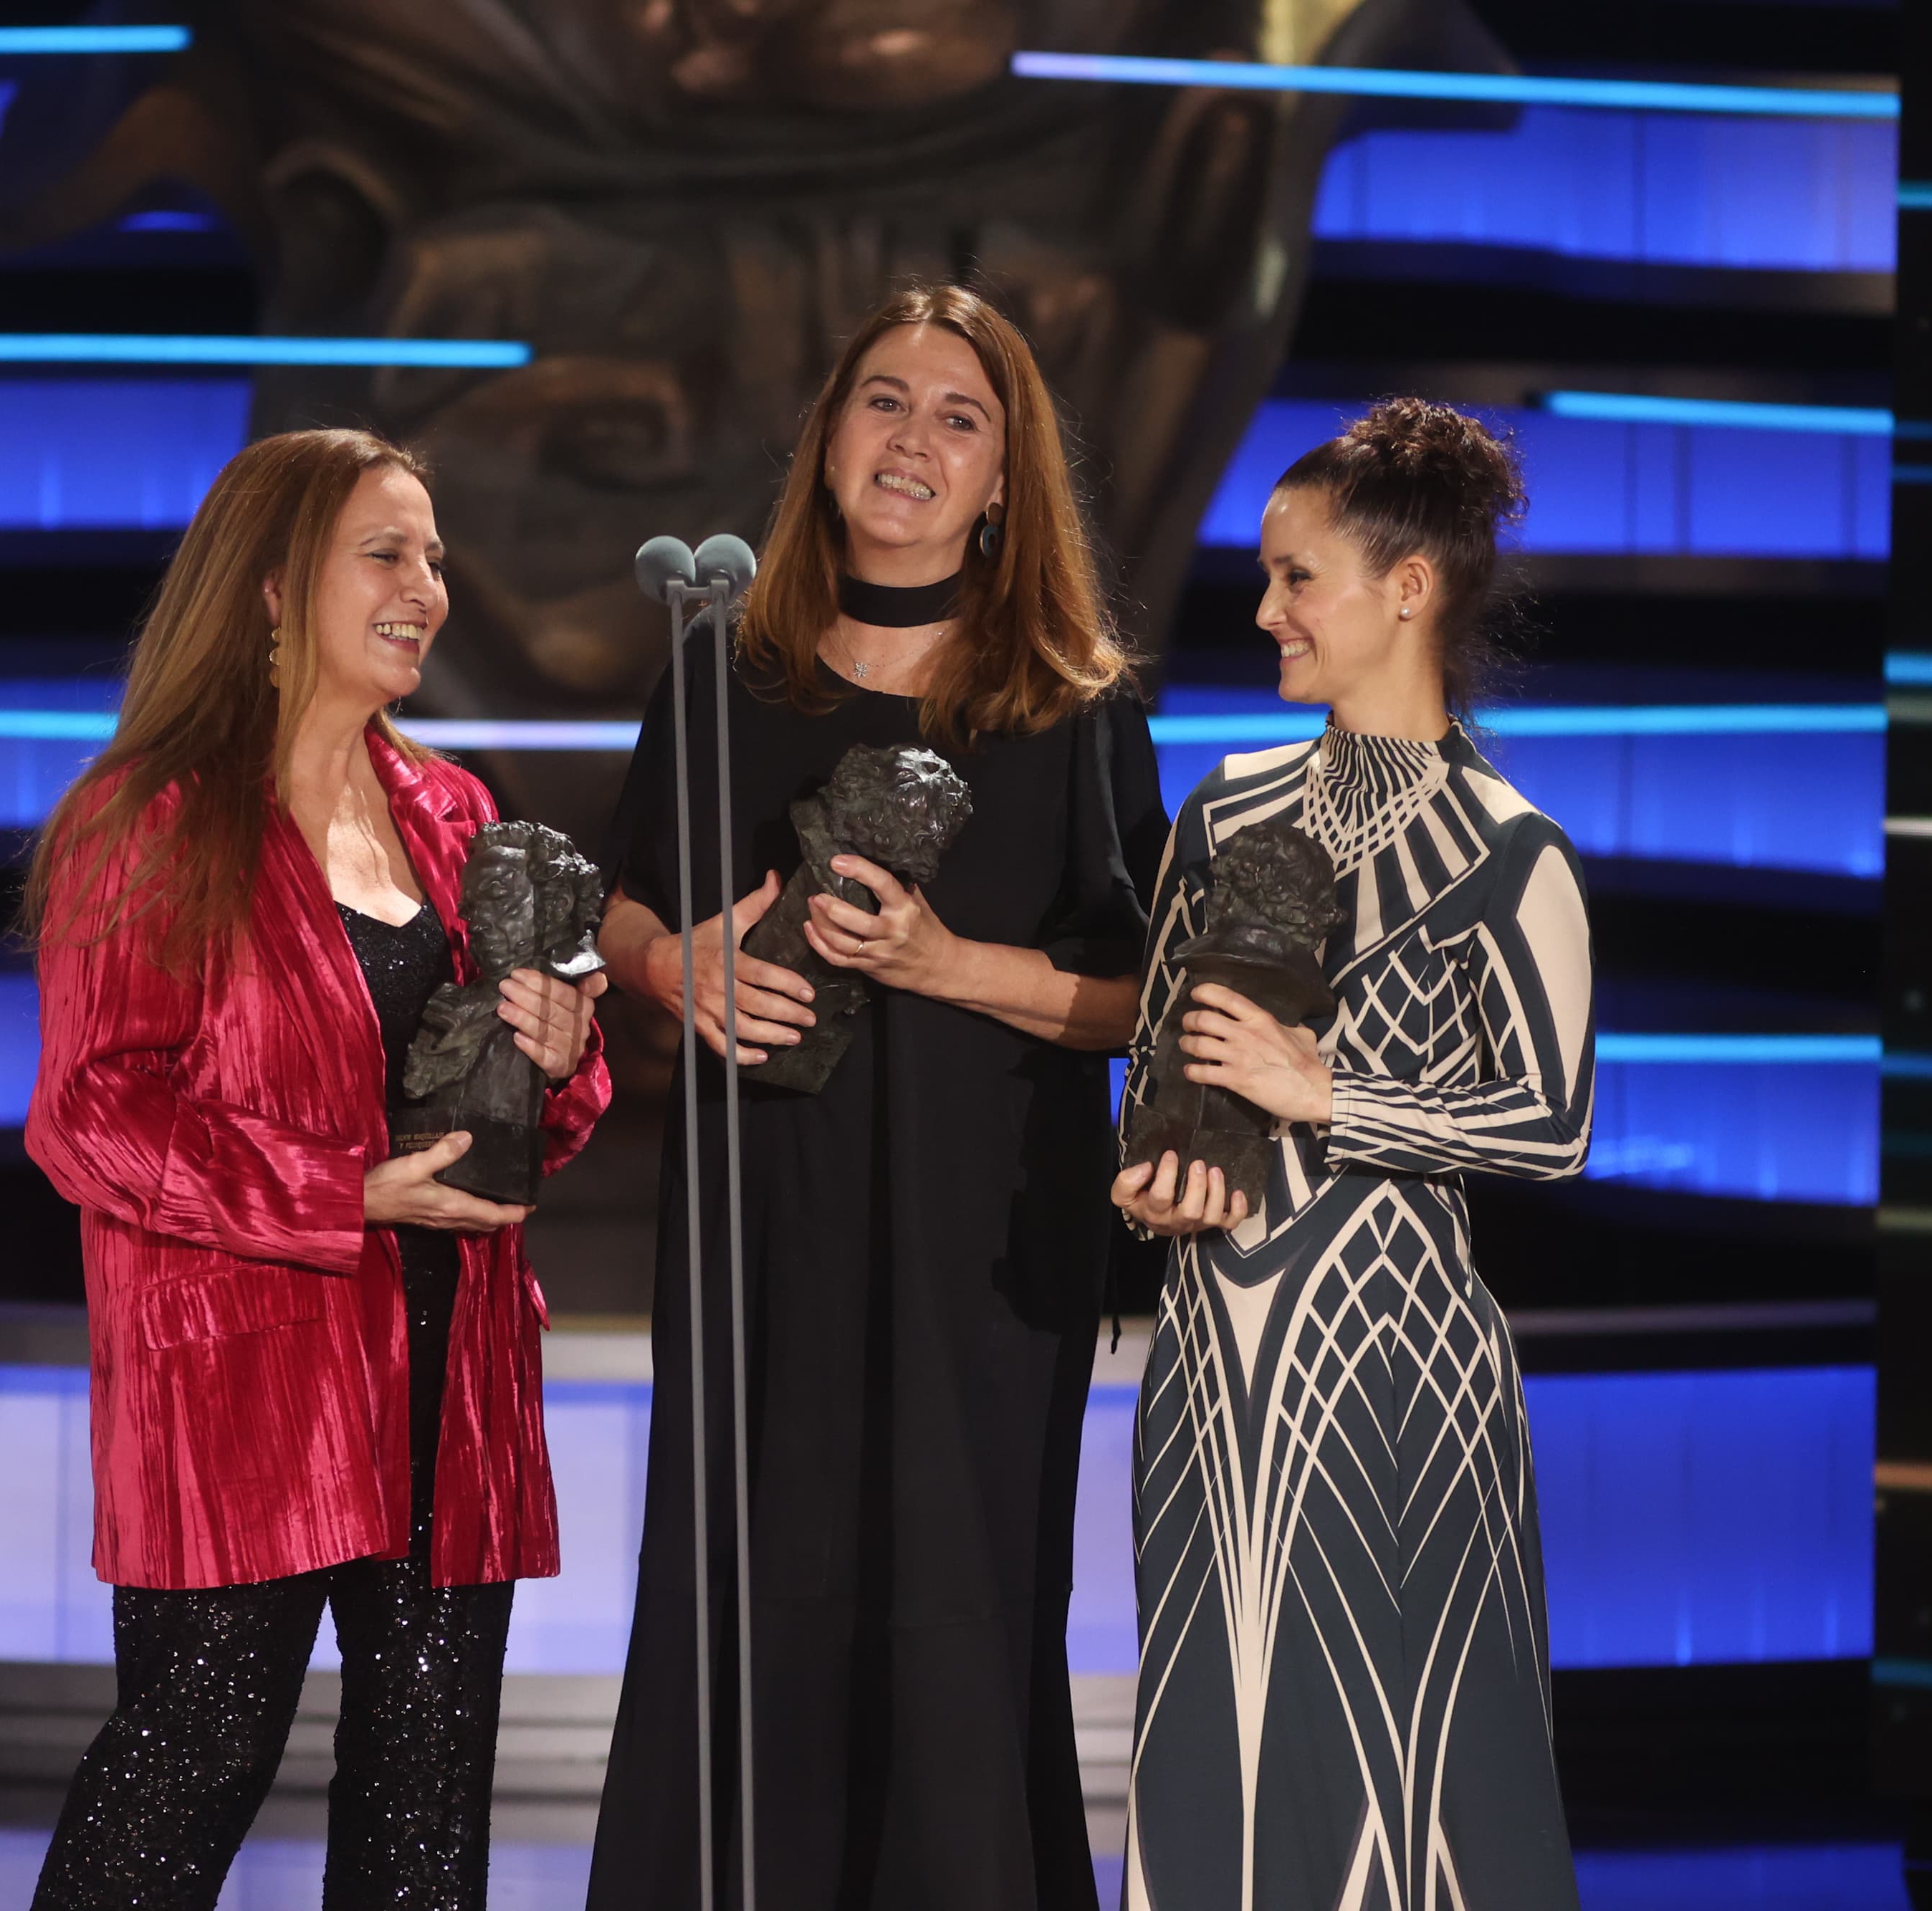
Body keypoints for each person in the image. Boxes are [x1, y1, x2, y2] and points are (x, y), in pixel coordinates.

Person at [586, 284, 1170, 1910]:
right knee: (743, 1597)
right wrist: (663, 968)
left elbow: (1144, 994)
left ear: (1004, 481)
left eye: (958, 417)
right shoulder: (723, 675)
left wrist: (943, 961)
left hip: (980, 1254)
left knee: (955, 1611)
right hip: (755, 1232)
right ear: (825, 437)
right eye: (883, 402)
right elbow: (625, 905)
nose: (912, 439)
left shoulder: (1071, 698)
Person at [18, 428, 610, 1910]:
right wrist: (340, 1189)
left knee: (424, 1805)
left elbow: (541, 1112)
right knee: (183, 1770)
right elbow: (90, 1113)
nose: (431, 587)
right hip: (245, 1389)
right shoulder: (148, 819)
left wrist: (560, 1046)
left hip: (448, 1376)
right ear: (274, 586)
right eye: (388, 553)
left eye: (435, 558)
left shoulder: (458, 812)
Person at [1111, 399, 1590, 1910]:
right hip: (1213, 1364)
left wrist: (1332, 1091)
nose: (1263, 611)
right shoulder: (1227, 804)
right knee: (1216, 1751)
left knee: (1428, 1772)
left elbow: (1553, 1120)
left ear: (1408, 585)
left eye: (1293, 576)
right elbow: (1162, 1052)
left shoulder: (1512, 851)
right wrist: (1149, 1169)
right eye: (1263, 577)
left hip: (1397, 1378)